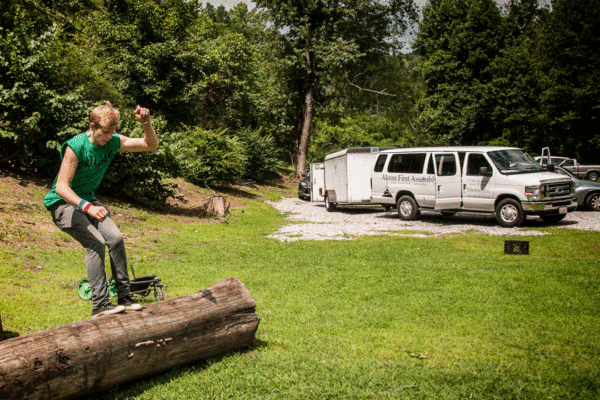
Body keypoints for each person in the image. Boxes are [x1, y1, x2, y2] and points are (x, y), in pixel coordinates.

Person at [43, 101, 159, 318]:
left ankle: (124, 297)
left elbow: (149, 145)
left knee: (115, 239)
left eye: (112, 132)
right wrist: (86, 207)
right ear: (92, 125)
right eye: (104, 132)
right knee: (95, 242)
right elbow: (61, 187)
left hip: (88, 201)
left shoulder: (113, 141)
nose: (108, 136)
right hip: (62, 204)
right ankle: (100, 305)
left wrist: (146, 123)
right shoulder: (75, 146)